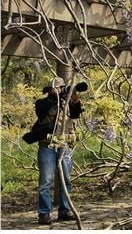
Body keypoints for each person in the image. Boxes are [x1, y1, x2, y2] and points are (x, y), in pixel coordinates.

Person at [35, 77, 83, 225]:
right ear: (50, 89)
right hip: (47, 147)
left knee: (66, 180)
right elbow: (41, 113)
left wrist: (74, 98)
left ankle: (64, 211)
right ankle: (44, 214)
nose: (60, 90)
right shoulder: (42, 102)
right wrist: (53, 97)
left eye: (61, 87)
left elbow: (76, 114)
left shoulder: (67, 102)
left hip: (65, 146)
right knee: (46, 181)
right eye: (56, 88)